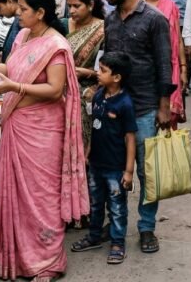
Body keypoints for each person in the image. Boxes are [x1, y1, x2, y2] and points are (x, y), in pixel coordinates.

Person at [0, 0, 89, 281]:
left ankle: (48, 262)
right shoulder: (24, 36)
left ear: (41, 13)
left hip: (43, 131)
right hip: (17, 123)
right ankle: (19, 259)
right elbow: (13, 69)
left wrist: (14, 88)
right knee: (18, 197)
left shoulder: (55, 45)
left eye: (24, 9)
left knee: (41, 196)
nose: (19, 13)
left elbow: (54, 89)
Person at [98, 0, 173, 254]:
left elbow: (165, 66)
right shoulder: (111, 19)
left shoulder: (154, 20)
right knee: (113, 170)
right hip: (115, 106)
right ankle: (116, 223)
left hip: (144, 107)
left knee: (146, 172)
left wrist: (164, 107)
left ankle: (146, 227)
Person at [71, 52, 137, 264]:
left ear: (116, 77)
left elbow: (130, 138)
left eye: (103, 71)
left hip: (115, 167)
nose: (97, 74)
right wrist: (88, 153)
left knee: (117, 208)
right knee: (96, 204)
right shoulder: (99, 95)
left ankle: (118, 242)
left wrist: (128, 171)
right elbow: (95, 129)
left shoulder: (125, 103)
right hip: (96, 164)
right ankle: (94, 236)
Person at [140, 0, 186, 124]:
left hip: (170, 64)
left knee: (169, 115)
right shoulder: (138, 5)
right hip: (145, 65)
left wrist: (183, 68)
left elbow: (177, 38)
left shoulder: (170, 4)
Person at [65, 0, 106, 152]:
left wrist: (87, 73)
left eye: (77, 6)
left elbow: (105, 69)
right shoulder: (64, 24)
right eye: (69, 6)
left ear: (90, 5)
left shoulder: (103, 30)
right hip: (62, 93)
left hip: (89, 94)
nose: (72, 11)